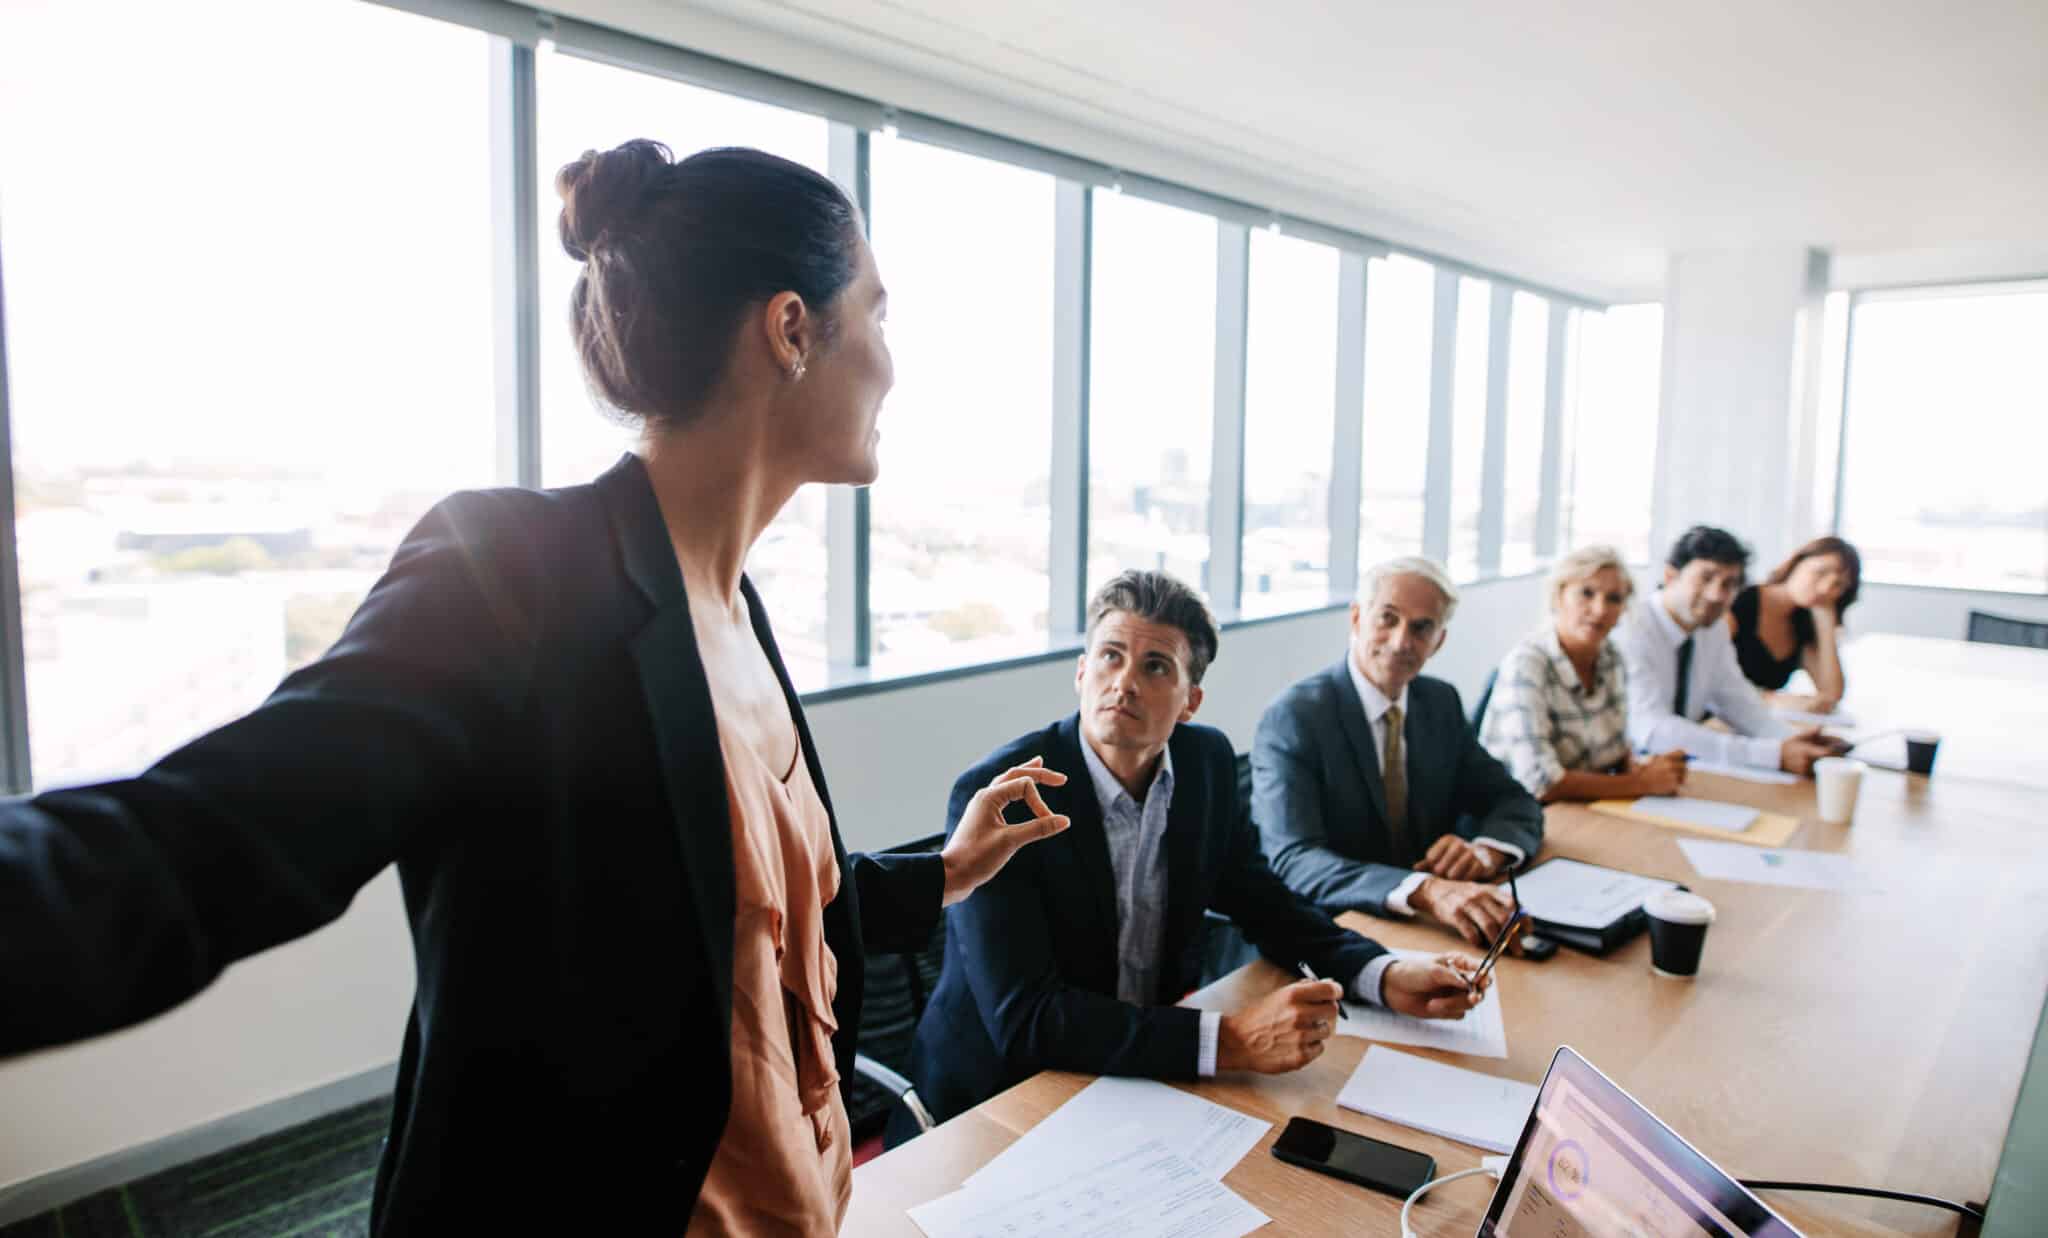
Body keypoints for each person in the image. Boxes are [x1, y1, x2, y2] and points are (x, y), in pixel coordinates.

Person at [0, 142, 1071, 1236]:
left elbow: (733, 914)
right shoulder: (514, 572)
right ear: (791, 328)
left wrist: (940, 872)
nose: (892, 360)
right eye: (877, 314)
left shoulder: (737, 606)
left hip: (799, 1199)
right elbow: (204, 839)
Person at [901, 570, 1485, 1134]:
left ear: (1190, 701)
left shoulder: (1204, 765)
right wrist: (1230, 1039)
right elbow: (1026, 1019)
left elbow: (1265, 903)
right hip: (1000, 1098)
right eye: (1110, 656)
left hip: (1142, 1077)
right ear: (1080, 672)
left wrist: (1381, 972)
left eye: (1156, 666)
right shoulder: (1008, 797)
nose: (1124, 682)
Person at [1252, 557, 1544, 950]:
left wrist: (1486, 852)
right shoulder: (1296, 716)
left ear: (1439, 641)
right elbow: (1295, 859)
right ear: (1356, 619)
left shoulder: (1439, 702)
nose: (1401, 641)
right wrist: (1426, 890)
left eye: (1422, 627)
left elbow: (1513, 800)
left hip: (1434, 929)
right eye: (1387, 618)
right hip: (1335, 932)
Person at [1613, 525, 1849, 775]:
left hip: (1676, 772)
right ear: (1671, 576)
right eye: (1706, 578)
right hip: (1622, 774)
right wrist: (1773, 754)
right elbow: (1652, 730)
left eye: (1729, 584)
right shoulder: (1632, 628)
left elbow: (1739, 702)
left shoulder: (1712, 630)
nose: (1716, 594)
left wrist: (1792, 741)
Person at [1480, 545, 1688, 802]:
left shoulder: (1610, 655)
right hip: (1519, 814)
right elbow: (1539, 782)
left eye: (1614, 599)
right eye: (1586, 593)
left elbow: (1612, 748)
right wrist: (1642, 782)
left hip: (1580, 808)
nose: (1600, 609)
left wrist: (1637, 767)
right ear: (1558, 597)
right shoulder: (1527, 664)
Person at [1726, 536, 1861, 712]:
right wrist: (1767, 698)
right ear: (1797, 563)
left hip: (1757, 722)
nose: (1825, 589)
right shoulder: (1740, 603)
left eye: (1838, 584)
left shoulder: (1802, 623)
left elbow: (1831, 694)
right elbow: (1708, 676)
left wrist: (1826, 624)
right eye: (1820, 573)